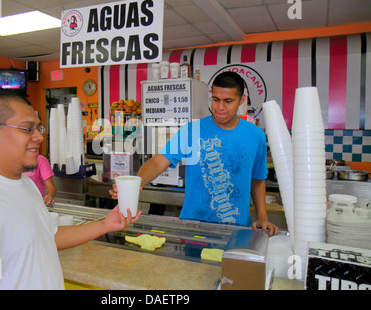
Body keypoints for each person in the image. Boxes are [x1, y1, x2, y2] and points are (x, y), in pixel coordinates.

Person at [0, 93, 141, 290]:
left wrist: (105, 224)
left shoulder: (26, 185)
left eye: (38, 128)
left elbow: (46, 236)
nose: (39, 137)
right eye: (27, 129)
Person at [110, 72, 278, 236]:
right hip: (193, 229)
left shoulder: (255, 136)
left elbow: (257, 179)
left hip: (237, 230)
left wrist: (262, 217)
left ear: (242, 100)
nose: (220, 107)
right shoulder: (192, 130)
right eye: (216, 99)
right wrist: (134, 183)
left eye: (228, 101)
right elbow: (157, 162)